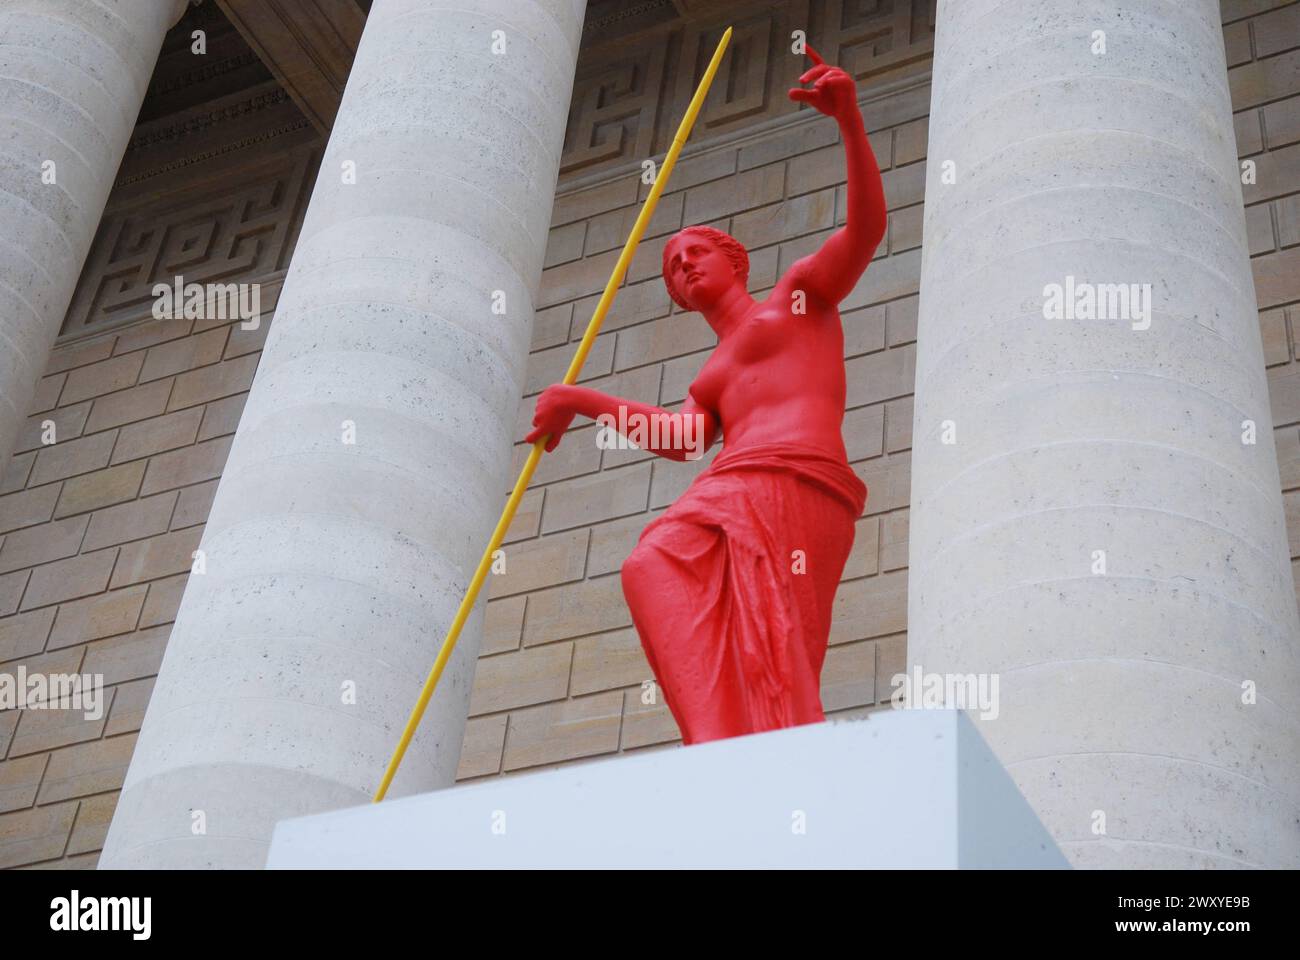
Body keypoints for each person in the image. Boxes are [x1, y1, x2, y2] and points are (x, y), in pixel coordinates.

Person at [526, 46, 887, 744]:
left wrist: (850, 124)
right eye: (672, 267)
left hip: (800, 481)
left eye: (696, 251)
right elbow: (682, 439)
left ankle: (758, 752)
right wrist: (577, 399)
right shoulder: (709, 379)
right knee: (652, 564)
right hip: (735, 486)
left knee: (783, 640)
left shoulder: (799, 300)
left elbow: (866, 230)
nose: (685, 263)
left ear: (734, 259)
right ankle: (717, 744)